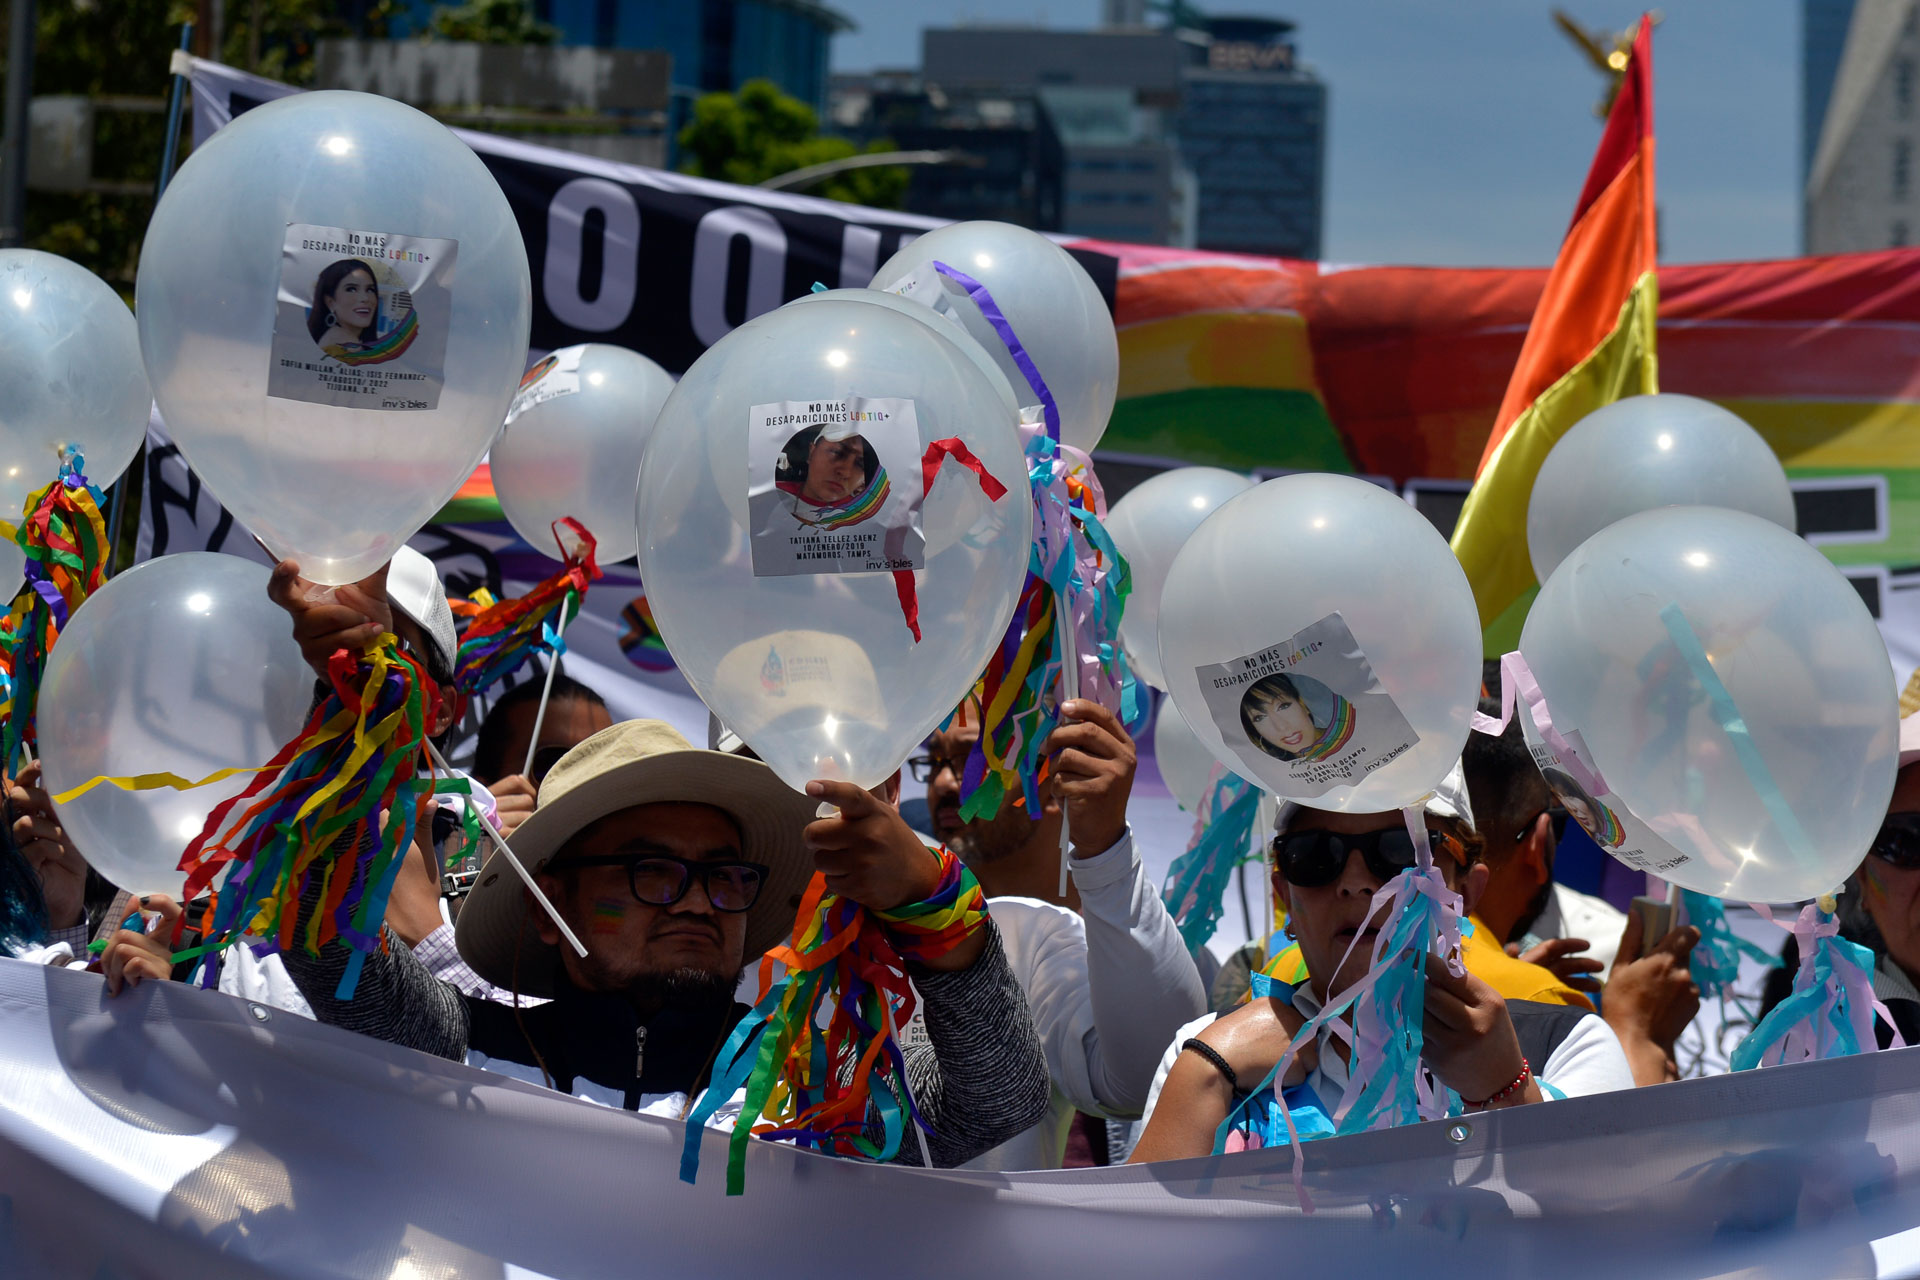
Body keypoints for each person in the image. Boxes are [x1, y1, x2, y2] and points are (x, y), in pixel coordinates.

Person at [1129, 767, 1635, 1162]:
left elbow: (1613, 1237)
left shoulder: (1564, 1046)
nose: (1355, 882)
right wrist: (1206, 1071)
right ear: (1285, 896)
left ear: (1466, 891)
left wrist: (1506, 1091)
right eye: (1314, 855)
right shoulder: (1206, 1052)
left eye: (1398, 852)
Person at [915, 699, 1207, 1168]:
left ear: (1055, 779)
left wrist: (1105, 856)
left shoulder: (1170, 951)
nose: (943, 784)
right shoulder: (909, 945)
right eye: (933, 764)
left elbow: (1155, 1081)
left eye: (970, 762)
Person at [1463, 712, 1703, 1086]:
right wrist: (1636, 1029)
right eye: (1560, 820)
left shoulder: (1381, 955)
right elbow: (1616, 1139)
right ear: (1540, 841)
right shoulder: (1537, 997)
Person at [471, 672, 612, 837]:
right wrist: (473, 848)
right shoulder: (447, 856)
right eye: (552, 762)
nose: (581, 781)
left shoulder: (645, 856)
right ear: (482, 788)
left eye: (604, 763)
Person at [774, 427, 886, 529]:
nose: (845, 472)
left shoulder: (863, 515)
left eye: (860, 464)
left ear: (862, 482)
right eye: (836, 452)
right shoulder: (772, 496)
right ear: (811, 452)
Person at [1240, 673, 1351, 763]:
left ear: (1302, 704)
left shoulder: (1353, 738)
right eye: (1260, 718)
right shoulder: (1277, 775)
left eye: (1283, 706)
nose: (1282, 726)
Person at [308, 258, 380, 352]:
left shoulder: (354, 341)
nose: (365, 298)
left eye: (370, 290)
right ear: (330, 302)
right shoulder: (343, 343)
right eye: (351, 289)